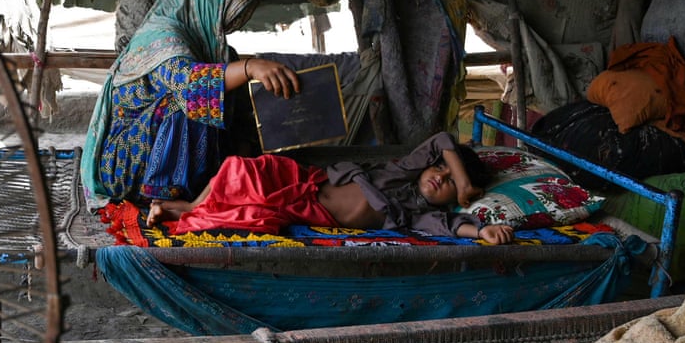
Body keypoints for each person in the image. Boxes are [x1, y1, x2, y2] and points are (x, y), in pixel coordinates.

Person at [81, 0, 302, 208]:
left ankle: (201, 192)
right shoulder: (163, 38)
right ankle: (163, 196)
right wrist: (250, 66)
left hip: (170, 158)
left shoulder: (217, 52)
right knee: (191, 101)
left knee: (223, 101)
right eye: (223, 12)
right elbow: (192, 88)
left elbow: (241, 118)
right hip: (122, 165)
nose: (226, 26)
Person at [149, 131, 516, 244]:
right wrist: (463, 180)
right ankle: (182, 206)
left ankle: (173, 210)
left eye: (450, 183)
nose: (441, 177)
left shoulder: (418, 215)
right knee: (238, 171)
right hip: (304, 180)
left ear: (457, 198)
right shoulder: (404, 171)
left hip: (307, 210)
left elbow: (452, 227)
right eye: (442, 169)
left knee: (249, 214)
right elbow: (443, 139)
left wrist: (483, 230)